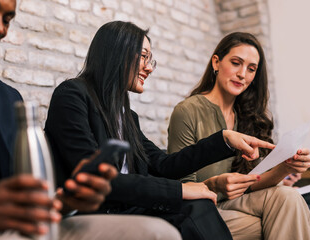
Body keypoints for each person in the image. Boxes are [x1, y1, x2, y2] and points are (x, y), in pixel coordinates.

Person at [0, 1, 183, 240]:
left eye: (7, 20)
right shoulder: (73, 95)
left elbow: (22, 197)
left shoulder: (6, 98)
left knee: (163, 231)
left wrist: (65, 202)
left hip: (24, 226)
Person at [45, 21, 275, 240]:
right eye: (144, 56)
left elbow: (164, 166)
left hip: (125, 208)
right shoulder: (72, 95)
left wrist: (224, 140)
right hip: (91, 212)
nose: (149, 68)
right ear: (116, 52)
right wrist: (179, 190)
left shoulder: (127, 116)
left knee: (197, 205)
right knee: (192, 206)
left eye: (150, 59)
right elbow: (95, 179)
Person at [167, 32, 310, 239]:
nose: (242, 74)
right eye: (236, 63)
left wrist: (285, 168)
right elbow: (183, 186)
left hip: (237, 202)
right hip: (203, 208)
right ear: (216, 62)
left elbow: (250, 183)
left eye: (251, 69)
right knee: (284, 217)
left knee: (288, 196)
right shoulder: (188, 111)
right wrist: (217, 183)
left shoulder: (247, 115)